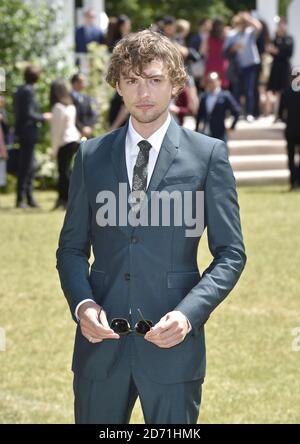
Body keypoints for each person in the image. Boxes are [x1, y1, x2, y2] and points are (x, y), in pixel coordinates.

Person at [56, 29, 246, 424]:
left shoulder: (208, 156)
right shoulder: (90, 156)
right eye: (132, 81)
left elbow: (230, 253)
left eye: (155, 79)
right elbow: (72, 249)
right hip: (99, 350)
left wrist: (189, 313)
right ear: (118, 87)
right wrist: (83, 304)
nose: (144, 92)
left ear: (176, 83)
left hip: (173, 349)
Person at [13, 66, 51, 209]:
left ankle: (28, 197)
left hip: (23, 133)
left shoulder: (20, 90)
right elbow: (29, 114)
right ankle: (21, 199)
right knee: (26, 166)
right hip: (28, 133)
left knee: (30, 166)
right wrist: (43, 117)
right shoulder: (28, 91)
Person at [224, 11, 262, 121]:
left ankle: (249, 113)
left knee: (249, 90)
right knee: (236, 90)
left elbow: (259, 27)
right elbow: (225, 52)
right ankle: (236, 112)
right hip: (237, 66)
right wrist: (233, 48)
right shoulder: (232, 34)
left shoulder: (250, 32)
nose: (244, 24)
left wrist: (249, 18)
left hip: (250, 65)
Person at [50, 80, 81, 209]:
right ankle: (62, 198)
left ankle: (66, 199)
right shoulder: (71, 105)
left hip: (64, 141)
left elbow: (57, 132)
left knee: (63, 173)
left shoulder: (57, 108)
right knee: (67, 171)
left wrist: (54, 150)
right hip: (74, 140)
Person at [196, 72, 240, 142]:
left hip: (220, 133)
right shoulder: (204, 96)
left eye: (213, 81)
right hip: (206, 132)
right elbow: (199, 114)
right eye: (209, 81)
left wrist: (232, 126)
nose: (211, 83)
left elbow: (236, 111)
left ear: (218, 81)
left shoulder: (225, 96)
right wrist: (197, 129)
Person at [267, 17, 294, 120]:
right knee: (275, 91)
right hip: (276, 67)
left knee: (284, 91)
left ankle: (283, 114)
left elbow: (289, 53)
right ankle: (277, 114)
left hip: (284, 68)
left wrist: (278, 51)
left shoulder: (289, 38)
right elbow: (271, 50)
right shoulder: (275, 38)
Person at [280, 78, 300, 190]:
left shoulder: (286, 93)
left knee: (291, 157)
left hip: (290, 130)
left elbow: (280, 114)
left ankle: (293, 182)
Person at [70, 73, 98, 139]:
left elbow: (92, 114)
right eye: (82, 81)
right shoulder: (68, 98)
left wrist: (89, 127)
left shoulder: (86, 98)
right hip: (75, 134)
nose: (84, 83)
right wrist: (81, 128)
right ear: (75, 83)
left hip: (88, 134)